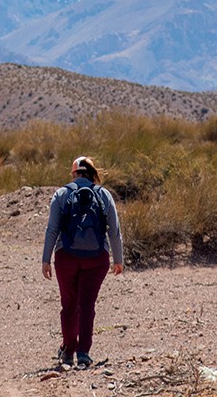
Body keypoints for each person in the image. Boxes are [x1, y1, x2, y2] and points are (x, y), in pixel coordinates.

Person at [42, 156, 124, 369]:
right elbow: (114, 230)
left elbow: (52, 229)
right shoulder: (104, 194)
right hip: (97, 258)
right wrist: (118, 259)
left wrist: (45, 259)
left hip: (65, 257)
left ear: (74, 173)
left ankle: (68, 352)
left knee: (69, 305)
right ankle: (84, 353)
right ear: (91, 172)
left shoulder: (61, 194)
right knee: (87, 305)